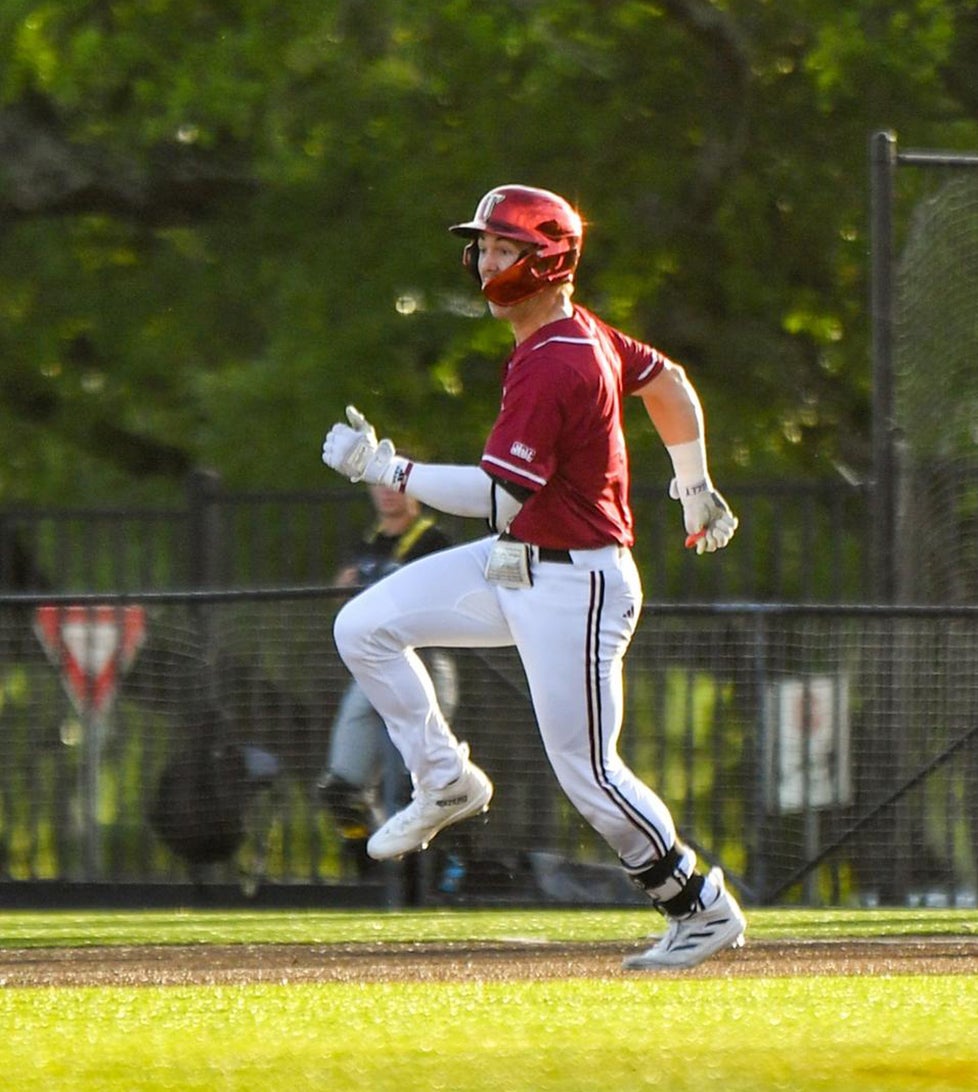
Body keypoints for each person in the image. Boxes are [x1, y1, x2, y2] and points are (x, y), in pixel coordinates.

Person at [320, 184, 746, 969]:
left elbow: (495, 497)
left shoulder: (558, 359)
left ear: (545, 262)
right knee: (364, 626)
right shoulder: (572, 336)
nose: (484, 260)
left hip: (575, 586)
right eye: (481, 245)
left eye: (502, 247)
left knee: (588, 775)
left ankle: (698, 906)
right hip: (525, 567)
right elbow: (669, 382)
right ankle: (444, 780)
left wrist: (387, 467)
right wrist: (692, 483)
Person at [316, 482, 457, 881]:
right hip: (373, 669)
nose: (387, 494)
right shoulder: (369, 544)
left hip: (424, 662)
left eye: (396, 485)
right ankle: (376, 866)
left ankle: (431, 879)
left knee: (417, 787)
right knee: (340, 788)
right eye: (379, 487)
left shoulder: (433, 539)